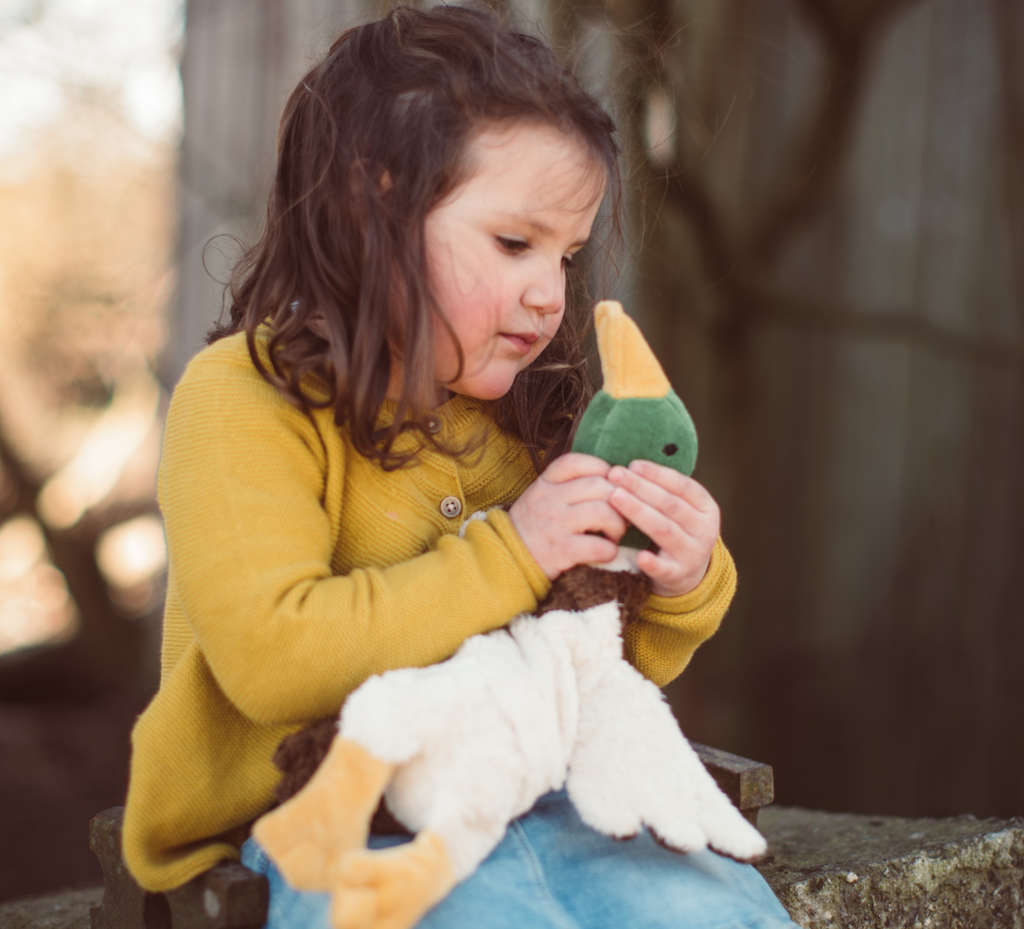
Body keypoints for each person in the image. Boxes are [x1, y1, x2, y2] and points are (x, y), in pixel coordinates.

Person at [122, 6, 797, 928]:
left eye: (565, 255)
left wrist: (677, 579)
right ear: (374, 205)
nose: (548, 294)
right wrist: (514, 553)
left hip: (541, 793)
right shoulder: (246, 397)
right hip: (324, 817)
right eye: (515, 244)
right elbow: (275, 659)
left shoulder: (527, 413)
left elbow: (585, 663)